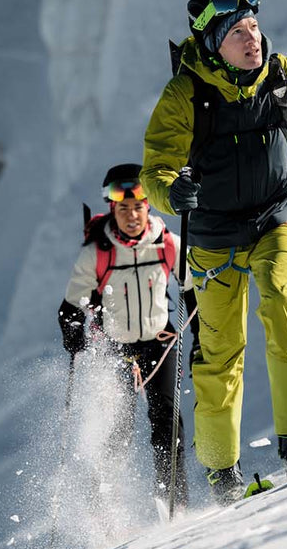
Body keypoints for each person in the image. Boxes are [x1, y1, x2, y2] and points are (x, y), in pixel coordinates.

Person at [140, 0, 287, 503]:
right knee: (220, 353)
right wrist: (173, 193)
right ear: (212, 44)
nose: (253, 40)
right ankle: (222, 473)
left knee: (285, 305)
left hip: (276, 219)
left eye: (255, 27)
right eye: (238, 33)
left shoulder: (285, 76)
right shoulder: (184, 96)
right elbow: (156, 171)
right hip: (214, 238)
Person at [58, 163, 192, 511]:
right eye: (124, 208)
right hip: (115, 347)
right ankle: (105, 505)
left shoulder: (167, 244)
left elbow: (193, 289)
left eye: (137, 207)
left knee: (167, 422)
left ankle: (174, 502)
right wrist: (73, 332)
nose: (132, 216)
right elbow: (70, 307)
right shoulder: (97, 253)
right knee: (118, 428)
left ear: (148, 207)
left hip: (159, 341)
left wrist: (202, 336)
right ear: (112, 209)